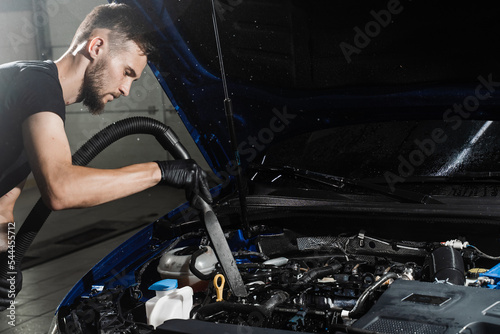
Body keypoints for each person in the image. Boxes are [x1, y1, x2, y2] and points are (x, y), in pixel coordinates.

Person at [0, 3, 212, 310]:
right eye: (127, 72)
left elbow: (4, 203)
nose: (126, 89)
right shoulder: (36, 84)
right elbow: (60, 189)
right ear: (97, 45)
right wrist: (160, 172)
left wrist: (6, 260)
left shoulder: (35, 93)